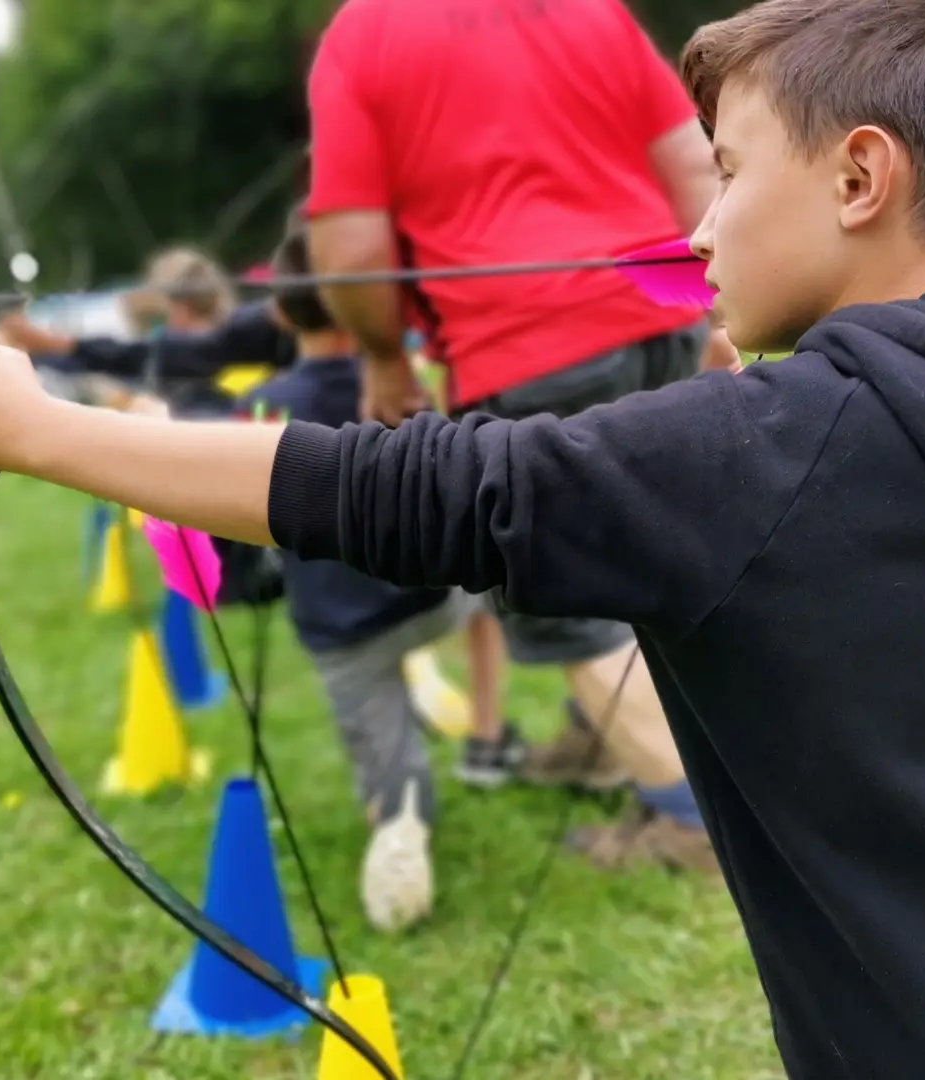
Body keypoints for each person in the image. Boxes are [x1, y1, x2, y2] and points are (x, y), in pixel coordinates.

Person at [0, 0, 925, 1074]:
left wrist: (37, 431)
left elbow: (396, 488)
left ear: (861, 176)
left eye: (729, 171)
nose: (700, 225)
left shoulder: (736, 458)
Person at [302, 0, 734, 865]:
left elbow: (351, 250)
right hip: (666, 310)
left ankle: (689, 819)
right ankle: (602, 738)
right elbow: (692, 158)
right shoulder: (589, 8)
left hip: (525, 349)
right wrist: (713, 296)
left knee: (569, 595)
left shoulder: (363, 34)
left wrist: (386, 359)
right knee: (665, 547)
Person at [210, 213, 504, 932]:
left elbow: (232, 517)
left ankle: (402, 828)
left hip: (346, 632)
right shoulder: (408, 387)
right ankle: (488, 734)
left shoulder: (262, 405)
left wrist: (240, 578)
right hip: (438, 596)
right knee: (489, 598)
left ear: (280, 310)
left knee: (395, 785)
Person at [0, 246, 296, 418]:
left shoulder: (234, 344)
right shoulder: (229, 337)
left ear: (179, 307)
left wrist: (56, 347)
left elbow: (143, 358)